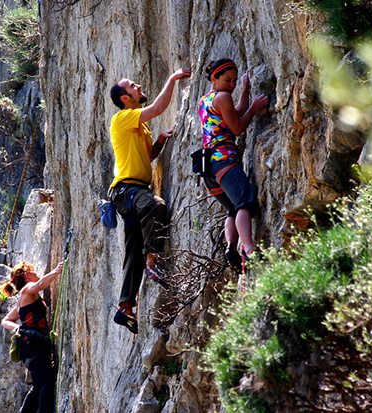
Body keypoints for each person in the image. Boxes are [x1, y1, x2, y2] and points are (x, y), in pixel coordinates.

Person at [108, 67, 191, 334]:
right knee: (156, 206)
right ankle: (153, 262)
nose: (138, 86)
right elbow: (156, 108)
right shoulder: (121, 119)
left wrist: (159, 142)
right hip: (129, 191)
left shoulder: (138, 128)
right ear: (125, 98)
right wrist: (173, 78)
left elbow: (147, 158)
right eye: (133, 86)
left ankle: (125, 308)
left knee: (132, 251)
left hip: (130, 193)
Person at [197, 58, 268, 270]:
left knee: (231, 208)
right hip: (223, 159)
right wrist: (254, 108)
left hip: (207, 166)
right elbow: (237, 128)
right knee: (244, 200)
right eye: (228, 80)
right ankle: (249, 247)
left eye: (235, 80)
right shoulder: (223, 97)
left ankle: (231, 246)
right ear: (214, 77)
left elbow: (234, 113)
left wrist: (245, 90)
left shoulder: (205, 100)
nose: (232, 84)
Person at [1, 260, 64, 413]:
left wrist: (20, 329)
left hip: (30, 346)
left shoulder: (22, 300)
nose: (36, 273)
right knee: (47, 383)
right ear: (27, 274)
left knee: (38, 386)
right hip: (35, 344)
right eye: (33, 271)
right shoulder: (28, 289)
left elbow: (5, 321)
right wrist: (56, 271)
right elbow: (40, 284)